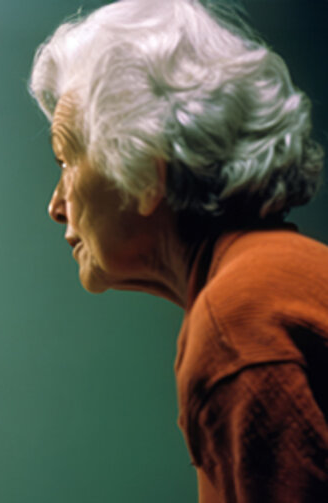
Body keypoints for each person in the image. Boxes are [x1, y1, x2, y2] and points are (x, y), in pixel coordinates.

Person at [30, 1, 328, 500]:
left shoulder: (236, 322)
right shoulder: (275, 276)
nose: (56, 205)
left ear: (147, 168)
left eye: (66, 161)